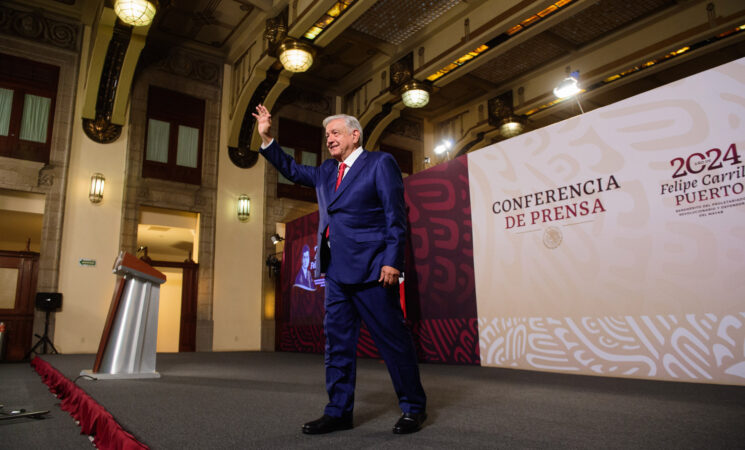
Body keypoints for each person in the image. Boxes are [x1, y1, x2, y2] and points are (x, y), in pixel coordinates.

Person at [252, 104, 427, 435]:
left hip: (375, 271)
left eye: (335, 133)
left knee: (393, 343)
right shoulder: (325, 172)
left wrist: (393, 261)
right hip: (335, 274)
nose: (329, 139)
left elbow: (395, 215)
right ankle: (338, 411)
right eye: (326, 135)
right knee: (337, 346)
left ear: (354, 135)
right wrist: (267, 138)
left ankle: (414, 407)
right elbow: (290, 169)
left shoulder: (380, 163)